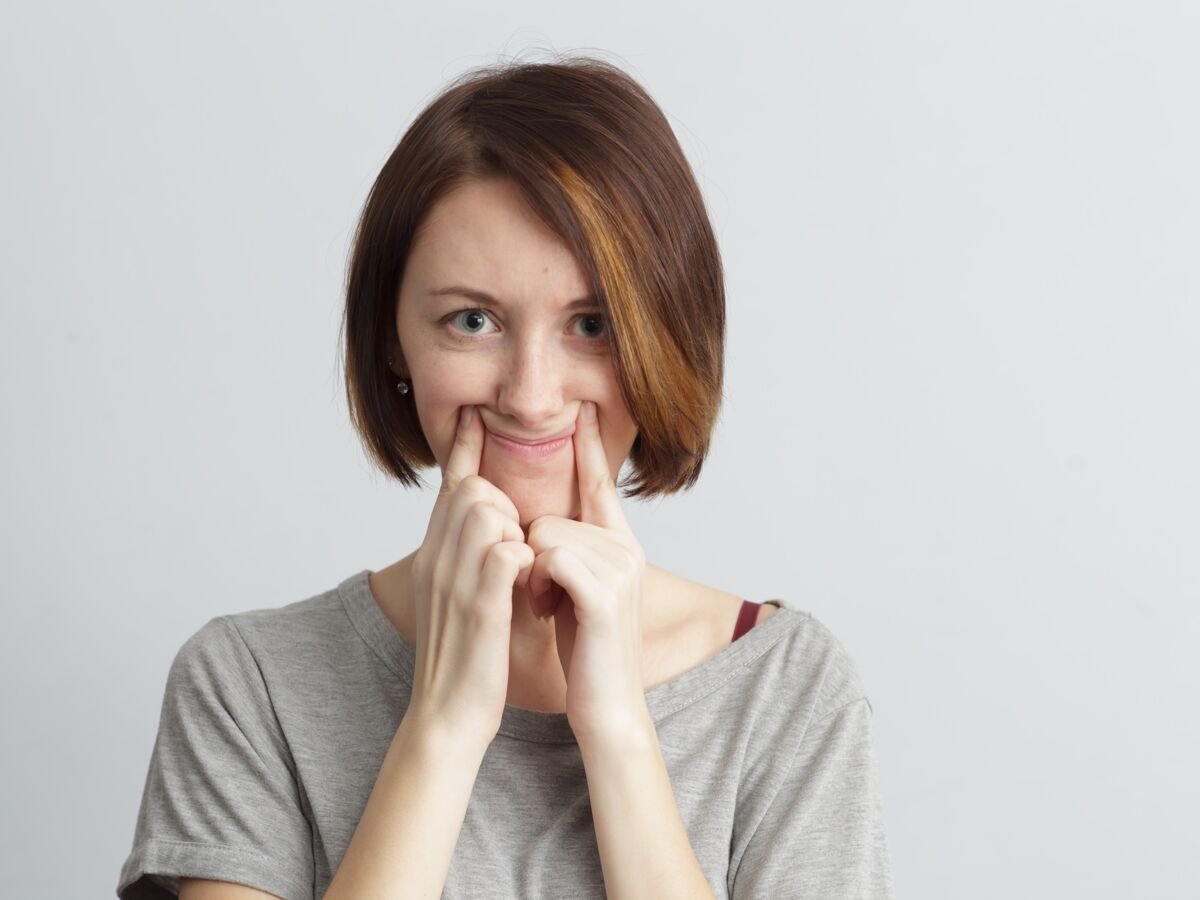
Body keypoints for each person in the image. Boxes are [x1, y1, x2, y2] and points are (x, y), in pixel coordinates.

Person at [116, 55, 895, 899]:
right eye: (473, 320)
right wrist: (442, 728)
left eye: (591, 325)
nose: (529, 396)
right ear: (392, 341)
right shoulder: (249, 686)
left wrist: (622, 736)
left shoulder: (787, 689)